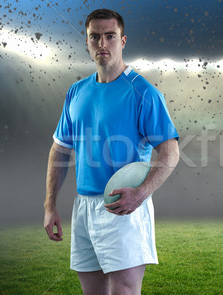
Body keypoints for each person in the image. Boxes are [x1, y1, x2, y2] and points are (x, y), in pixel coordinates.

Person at [43, 8, 179, 295]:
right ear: (87, 41)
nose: (102, 44)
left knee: (124, 292)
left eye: (110, 36)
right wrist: (50, 205)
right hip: (83, 207)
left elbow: (171, 154)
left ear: (123, 40)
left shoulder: (144, 94)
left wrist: (140, 194)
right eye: (95, 37)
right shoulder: (76, 92)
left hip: (124, 207)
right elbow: (60, 150)